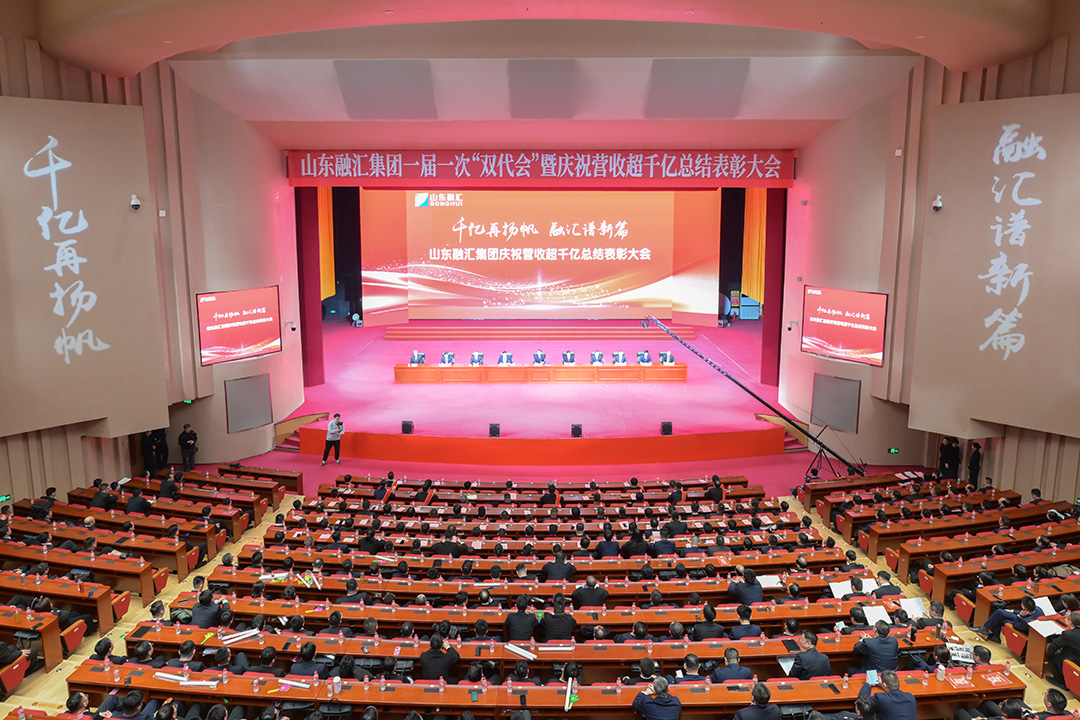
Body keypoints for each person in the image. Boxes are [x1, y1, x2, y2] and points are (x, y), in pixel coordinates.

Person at [973, 595, 1042, 642]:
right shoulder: (1037, 609)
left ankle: (988, 631)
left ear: (1023, 606)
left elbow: (1016, 625)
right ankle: (991, 633)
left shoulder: (1025, 622)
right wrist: (1013, 611)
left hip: (1021, 625)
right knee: (999, 613)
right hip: (1022, 620)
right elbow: (1023, 612)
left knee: (1000, 617)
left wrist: (1020, 615)